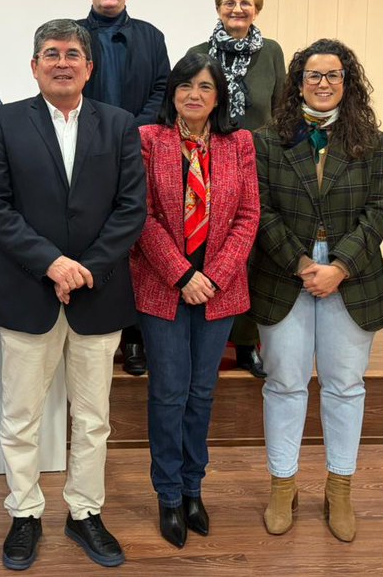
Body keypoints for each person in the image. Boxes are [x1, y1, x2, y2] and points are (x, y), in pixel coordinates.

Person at [0, 19, 146, 571]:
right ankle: (24, 513)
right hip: (26, 289)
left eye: (73, 53)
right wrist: (51, 263)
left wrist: (85, 268)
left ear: (89, 67)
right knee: (20, 415)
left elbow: (131, 209)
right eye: (51, 53)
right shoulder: (3, 122)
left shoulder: (120, 125)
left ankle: (84, 512)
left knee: (94, 417)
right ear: (34, 65)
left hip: (98, 295)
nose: (63, 62)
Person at [248, 38, 383, 543]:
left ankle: (340, 488)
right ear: (298, 82)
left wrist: (341, 266)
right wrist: (303, 262)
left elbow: (379, 212)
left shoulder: (372, 142)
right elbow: (260, 210)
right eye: (314, 75)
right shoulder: (268, 140)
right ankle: (283, 485)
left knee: (345, 385)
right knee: (284, 383)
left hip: (351, 278)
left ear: (347, 83)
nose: (324, 83)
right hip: (285, 273)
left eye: (333, 75)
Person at [129, 51, 259, 548]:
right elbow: (139, 216)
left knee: (202, 393)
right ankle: (166, 493)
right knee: (168, 393)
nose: (194, 95)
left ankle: (192, 488)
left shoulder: (238, 143)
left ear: (219, 95)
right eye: (186, 86)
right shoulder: (149, 140)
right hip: (164, 285)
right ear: (173, 92)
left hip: (219, 291)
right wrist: (183, 274)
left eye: (205, 87)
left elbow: (248, 215)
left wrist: (215, 275)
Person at [189, 0, 286, 379]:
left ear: (257, 10)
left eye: (246, 3)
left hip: (259, 161)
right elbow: (188, 105)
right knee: (212, 249)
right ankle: (205, 337)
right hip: (209, 161)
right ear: (218, 8)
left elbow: (281, 108)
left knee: (250, 254)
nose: (238, 10)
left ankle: (247, 343)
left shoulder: (272, 52)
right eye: (230, 3)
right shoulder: (198, 52)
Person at [78, 0, 170, 377]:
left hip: (140, 147)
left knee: (136, 239)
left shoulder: (151, 36)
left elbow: (162, 89)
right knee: (95, 233)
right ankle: (93, 324)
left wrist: (131, 130)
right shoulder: (73, 35)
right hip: (85, 149)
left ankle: (134, 338)